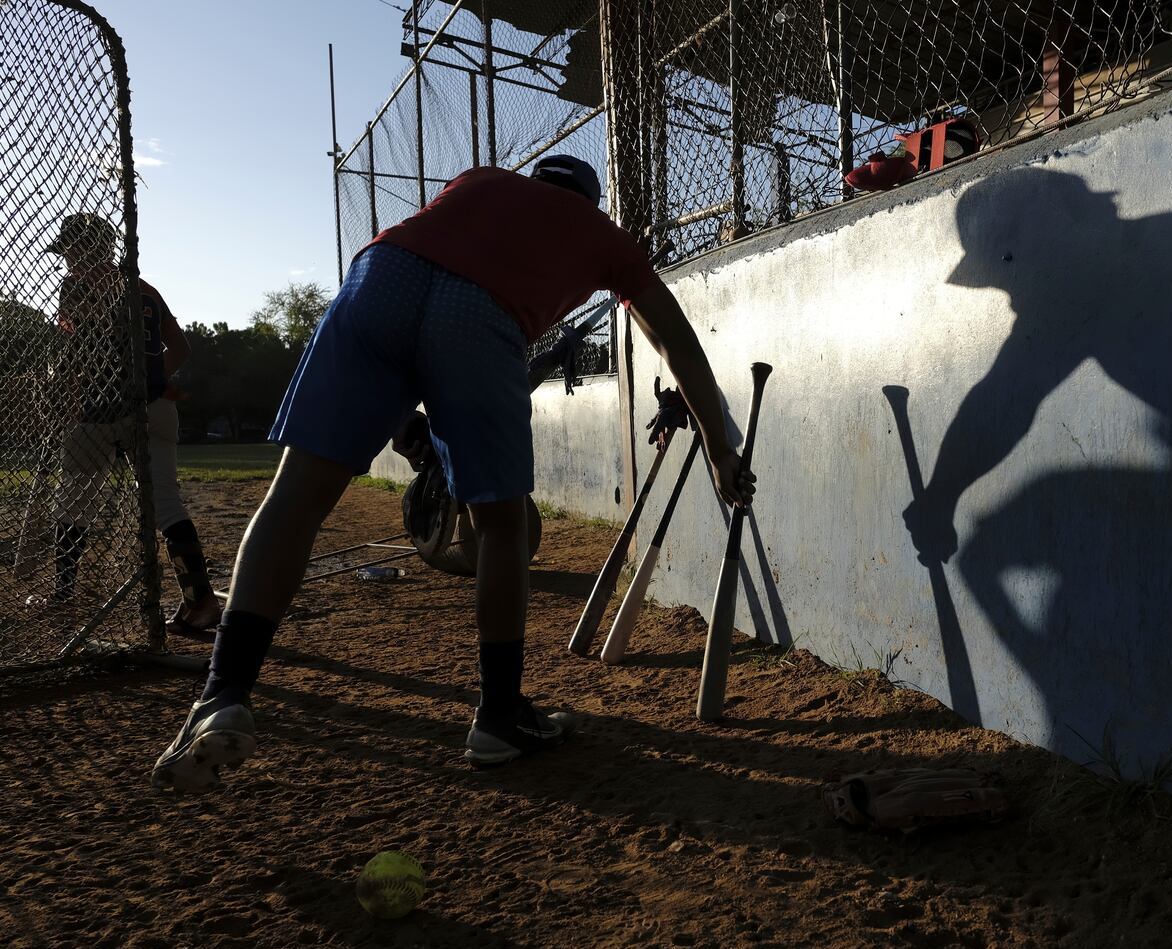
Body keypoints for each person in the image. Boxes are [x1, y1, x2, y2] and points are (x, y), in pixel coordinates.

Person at [151, 156, 755, 794]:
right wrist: (719, 447)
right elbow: (676, 342)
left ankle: (222, 693)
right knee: (501, 527)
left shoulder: (480, 180)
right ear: (587, 198)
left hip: (380, 278)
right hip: (479, 316)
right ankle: (498, 717)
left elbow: (439, 266)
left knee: (296, 498)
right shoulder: (601, 233)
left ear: (536, 179)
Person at [37, 213, 224, 631]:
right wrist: (154, 382)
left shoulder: (76, 284)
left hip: (97, 409)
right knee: (167, 504)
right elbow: (180, 346)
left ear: (84, 250)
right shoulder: (145, 289)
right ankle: (201, 602)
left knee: (74, 500)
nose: (67, 261)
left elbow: (77, 351)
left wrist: (65, 401)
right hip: (152, 408)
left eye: (69, 251)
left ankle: (64, 597)